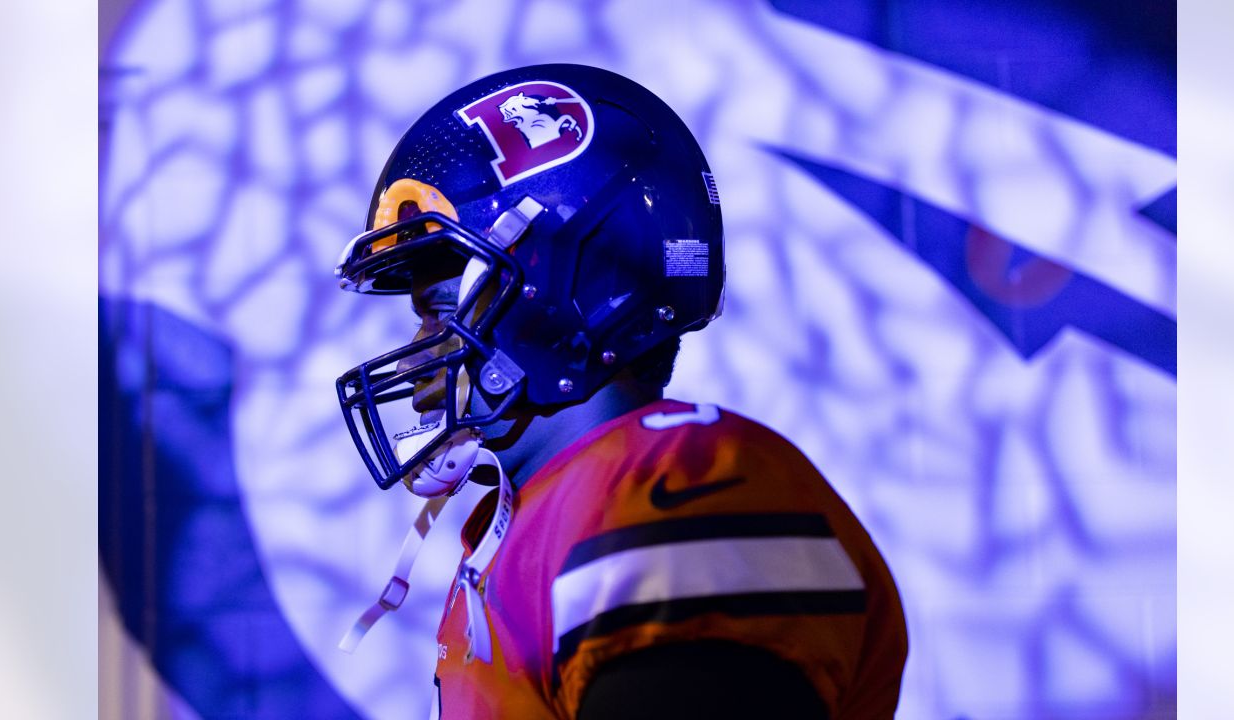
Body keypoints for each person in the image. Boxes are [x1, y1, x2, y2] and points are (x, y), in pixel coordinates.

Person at [332, 64, 907, 719]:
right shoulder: (522, 523)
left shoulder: (677, 488)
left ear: (563, 282)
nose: (414, 361)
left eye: (441, 305)